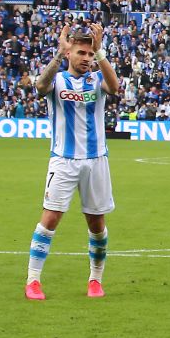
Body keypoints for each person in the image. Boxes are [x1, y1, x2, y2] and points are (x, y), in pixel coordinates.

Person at [24, 22, 121, 300]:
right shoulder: (56, 80)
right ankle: (32, 280)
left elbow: (114, 87)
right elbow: (40, 87)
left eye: (90, 55)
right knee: (50, 218)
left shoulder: (96, 80)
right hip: (63, 161)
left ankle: (95, 279)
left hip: (96, 161)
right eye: (82, 53)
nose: (86, 59)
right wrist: (57, 54)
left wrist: (102, 54)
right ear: (70, 53)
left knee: (96, 223)